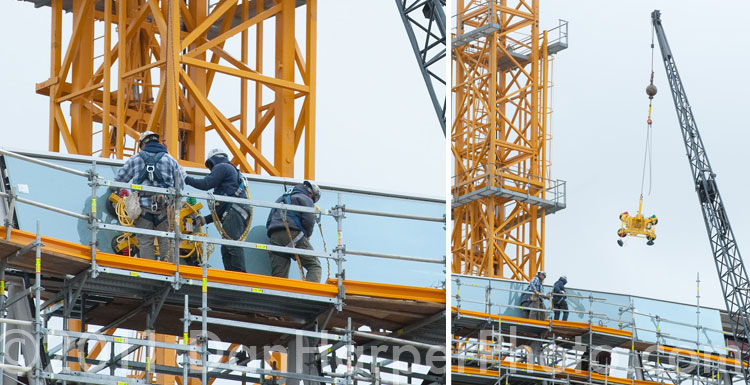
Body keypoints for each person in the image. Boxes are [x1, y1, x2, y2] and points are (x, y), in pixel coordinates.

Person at [114, 131, 185, 261]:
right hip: (165, 209)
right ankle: (167, 271)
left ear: (143, 144)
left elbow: (119, 179)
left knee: (145, 241)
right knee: (166, 240)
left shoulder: (135, 159)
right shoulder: (170, 160)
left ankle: (149, 271)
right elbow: (180, 187)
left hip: (143, 209)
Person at [184, 149, 251, 272]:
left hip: (235, 211)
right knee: (226, 248)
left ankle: (240, 277)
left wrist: (186, 178)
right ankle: (231, 276)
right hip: (236, 211)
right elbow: (222, 209)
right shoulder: (230, 173)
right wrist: (205, 219)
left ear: (212, 161)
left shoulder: (222, 167)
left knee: (231, 245)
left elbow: (206, 183)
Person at [266, 181, 322, 282]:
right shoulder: (306, 198)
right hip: (293, 234)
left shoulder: (280, 199)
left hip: (275, 236)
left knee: (279, 276)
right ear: (311, 194)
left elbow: (269, 221)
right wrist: (308, 234)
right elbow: (309, 219)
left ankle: (278, 296)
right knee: (314, 265)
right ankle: (309, 294)